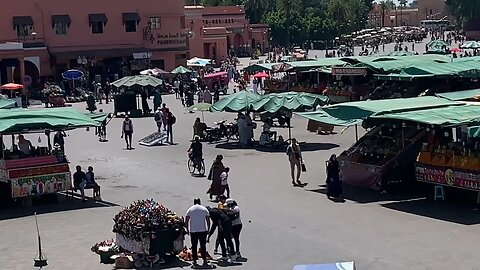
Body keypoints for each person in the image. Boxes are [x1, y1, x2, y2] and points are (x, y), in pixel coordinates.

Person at [185, 198, 211, 267]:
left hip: (193, 231)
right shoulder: (204, 209)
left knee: (194, 246)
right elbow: (208, 220)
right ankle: (204, 260)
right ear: (200, 202)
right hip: (203, 230)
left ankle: (194, 260)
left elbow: (187, 220)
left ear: (194, 202)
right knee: (203, 246)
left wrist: (187, 229)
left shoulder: (190, 209)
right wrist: (208, 229)